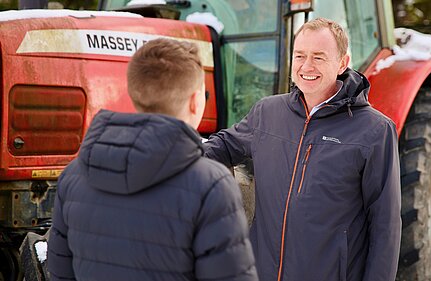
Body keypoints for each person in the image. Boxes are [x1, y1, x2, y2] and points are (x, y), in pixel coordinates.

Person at [204, 18, 402, 281]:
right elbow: (223, 146)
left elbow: (385, 226)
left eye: (319, 57)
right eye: (300, 55)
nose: (307, 66)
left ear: (343, 62)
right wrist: (173, 154)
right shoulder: (268, 112)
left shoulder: (374, 131)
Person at [48, 38, 258, 281]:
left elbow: (61, 273)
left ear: (134, 93)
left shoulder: (74, 175)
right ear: (195, 100)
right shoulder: (211, 185)